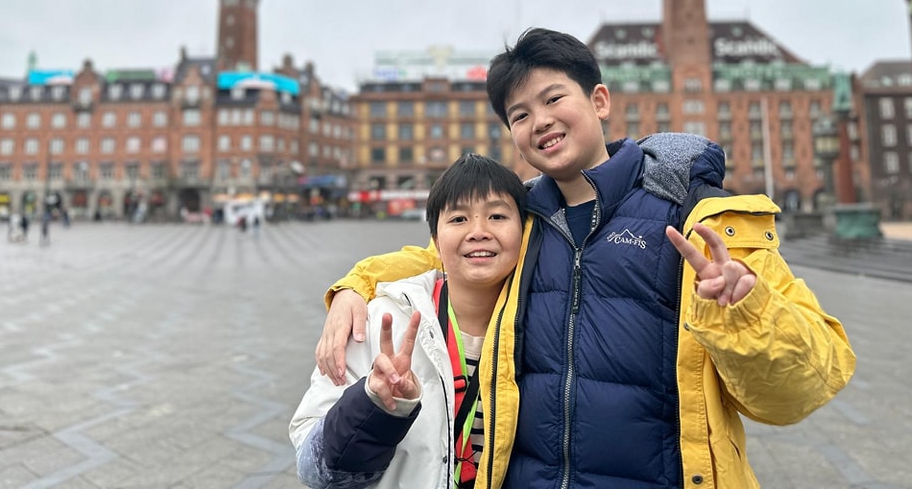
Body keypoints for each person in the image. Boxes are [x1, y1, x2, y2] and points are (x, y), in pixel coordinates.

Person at [316, 27, 857, 489]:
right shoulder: (522, 222)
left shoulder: (701, 220)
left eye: (554, 99)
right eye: (520, 114)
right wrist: (354, 287)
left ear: (599, 101)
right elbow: (436, 254)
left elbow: (799, 394)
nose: (540, 121)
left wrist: (746, 310)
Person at [290, 153, 529, 489]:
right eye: (459, 218)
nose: (478, 231)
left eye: (497, 216)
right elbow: (314, 471)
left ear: (525, 229)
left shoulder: (548, 323)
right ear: (436, 239)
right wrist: (373, 405)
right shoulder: (379, 322)